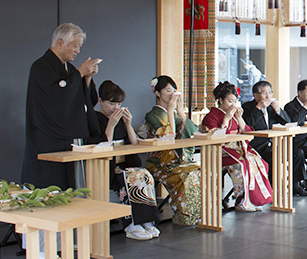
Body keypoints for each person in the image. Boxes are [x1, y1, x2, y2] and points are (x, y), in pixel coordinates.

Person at [22, 22, 101, 190]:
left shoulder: (70, 69)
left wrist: (86, 79)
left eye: (79, 47)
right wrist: (79, 73)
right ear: (60, 43)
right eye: (74, 46)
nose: (77, 51)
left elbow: (82, 100)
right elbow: (57, 97)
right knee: (49, 185)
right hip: (48, 138)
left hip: (68, 137)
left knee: (69, 186)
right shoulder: (41, 67)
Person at [94, 81, 160, 240]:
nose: (115, 107)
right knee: (131, 178)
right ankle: (131, 224)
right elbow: (100, 145)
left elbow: (134, 144)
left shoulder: (120, 120)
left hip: (126, 165)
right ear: (100, 101)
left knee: (144, 175)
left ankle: (147, 221)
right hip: (107, 168)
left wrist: (128, 124)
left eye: (118, 103)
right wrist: (110, 125)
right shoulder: (94, 118)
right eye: (111, 103)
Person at [201, 81, 273, 212]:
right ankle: (241, 200)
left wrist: (239, 119)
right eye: (229, 101)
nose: (232, 105)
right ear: (220, 100)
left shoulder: (234, 114)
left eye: (234, 101)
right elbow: (214, 137)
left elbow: (247, 133)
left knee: (259, 162)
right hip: (220, 151)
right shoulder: (211, 116)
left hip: (237, 148)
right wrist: (226, 119)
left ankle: (254, 199)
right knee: (241, 164)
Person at [144, 76, 202, 226]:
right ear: (157, 93)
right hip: (160, 162)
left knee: (199, 171)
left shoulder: (175, 114)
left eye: (174, 90)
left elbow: (194, 132)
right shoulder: (152, 115)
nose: (172, 94)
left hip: (178, 160)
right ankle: (185, 215)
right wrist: (170, 111)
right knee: (185, 175)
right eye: (168, 90)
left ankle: (197, 213)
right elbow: (167, 138)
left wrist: (180, 112)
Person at [241, 81, 307, 197]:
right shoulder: (247, 107)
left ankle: (296, 185)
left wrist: (278, 111)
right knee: (274, 158)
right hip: (257, 147)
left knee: (297, 153)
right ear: (255, 95)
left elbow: (289, 122)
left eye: (270, 93)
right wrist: (258, 109)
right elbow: (247, 126)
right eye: (264, 93)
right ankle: (270, 189)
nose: (267, 96)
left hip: (274, 145)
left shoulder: (271, 108)